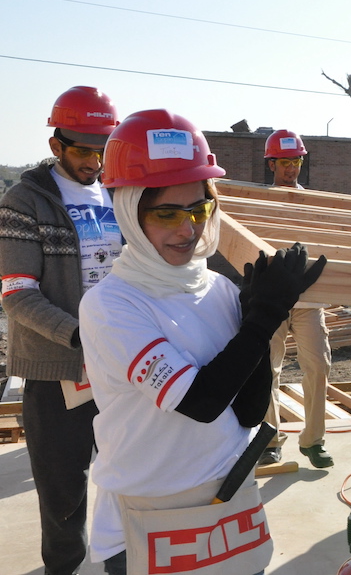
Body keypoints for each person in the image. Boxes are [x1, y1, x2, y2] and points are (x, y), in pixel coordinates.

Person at [78, 110, 325, 574]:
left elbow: (248, 410)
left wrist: (256, 318)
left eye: (198, 209)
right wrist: (264, 317)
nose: (187, 229)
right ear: (130, 212)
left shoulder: (220, 290)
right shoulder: (112, 306)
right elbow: (201, 400)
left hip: (227, 503)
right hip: (150, 518)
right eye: (166, 213)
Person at [0, 86, 121, 575]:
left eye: (103, 150)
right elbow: (17, 293)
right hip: (60, 371)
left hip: (121, 364)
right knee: (63, 492)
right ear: (56, 146)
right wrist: (81, 337)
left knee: (126, 478)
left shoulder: (121, 195)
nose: (94, 161)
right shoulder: (25, 201)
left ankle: (121, 560)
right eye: (83, 151)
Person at [259, 129, 334, 468]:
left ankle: (313, 440)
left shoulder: (312, 202)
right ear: (271, 163)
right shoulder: (258, 201)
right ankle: (269, 440)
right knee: (267, 370)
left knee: (318, 365)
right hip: (271, 298)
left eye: (297, 162)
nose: (292, 169)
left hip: (307, 300)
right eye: (286, 162)